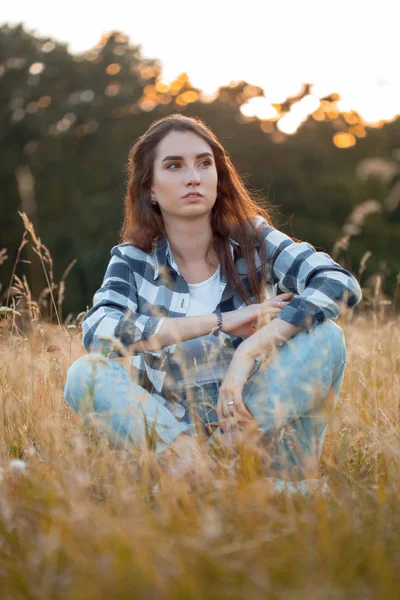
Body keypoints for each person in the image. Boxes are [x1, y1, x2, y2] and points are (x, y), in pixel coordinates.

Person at [64, 113, 362, 489]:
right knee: (84, 374)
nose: (193, 176)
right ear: (150, 188)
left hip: (253, 428)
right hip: (176, 440)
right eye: (174, 166)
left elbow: (338, 282)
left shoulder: (253, 239)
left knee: (327, 338)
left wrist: (249, 351)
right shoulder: (133, 259)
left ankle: (236, 480)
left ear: (218, 178)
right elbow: (97, 332)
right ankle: (206, 471)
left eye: (204, 163)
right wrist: (217, 321)